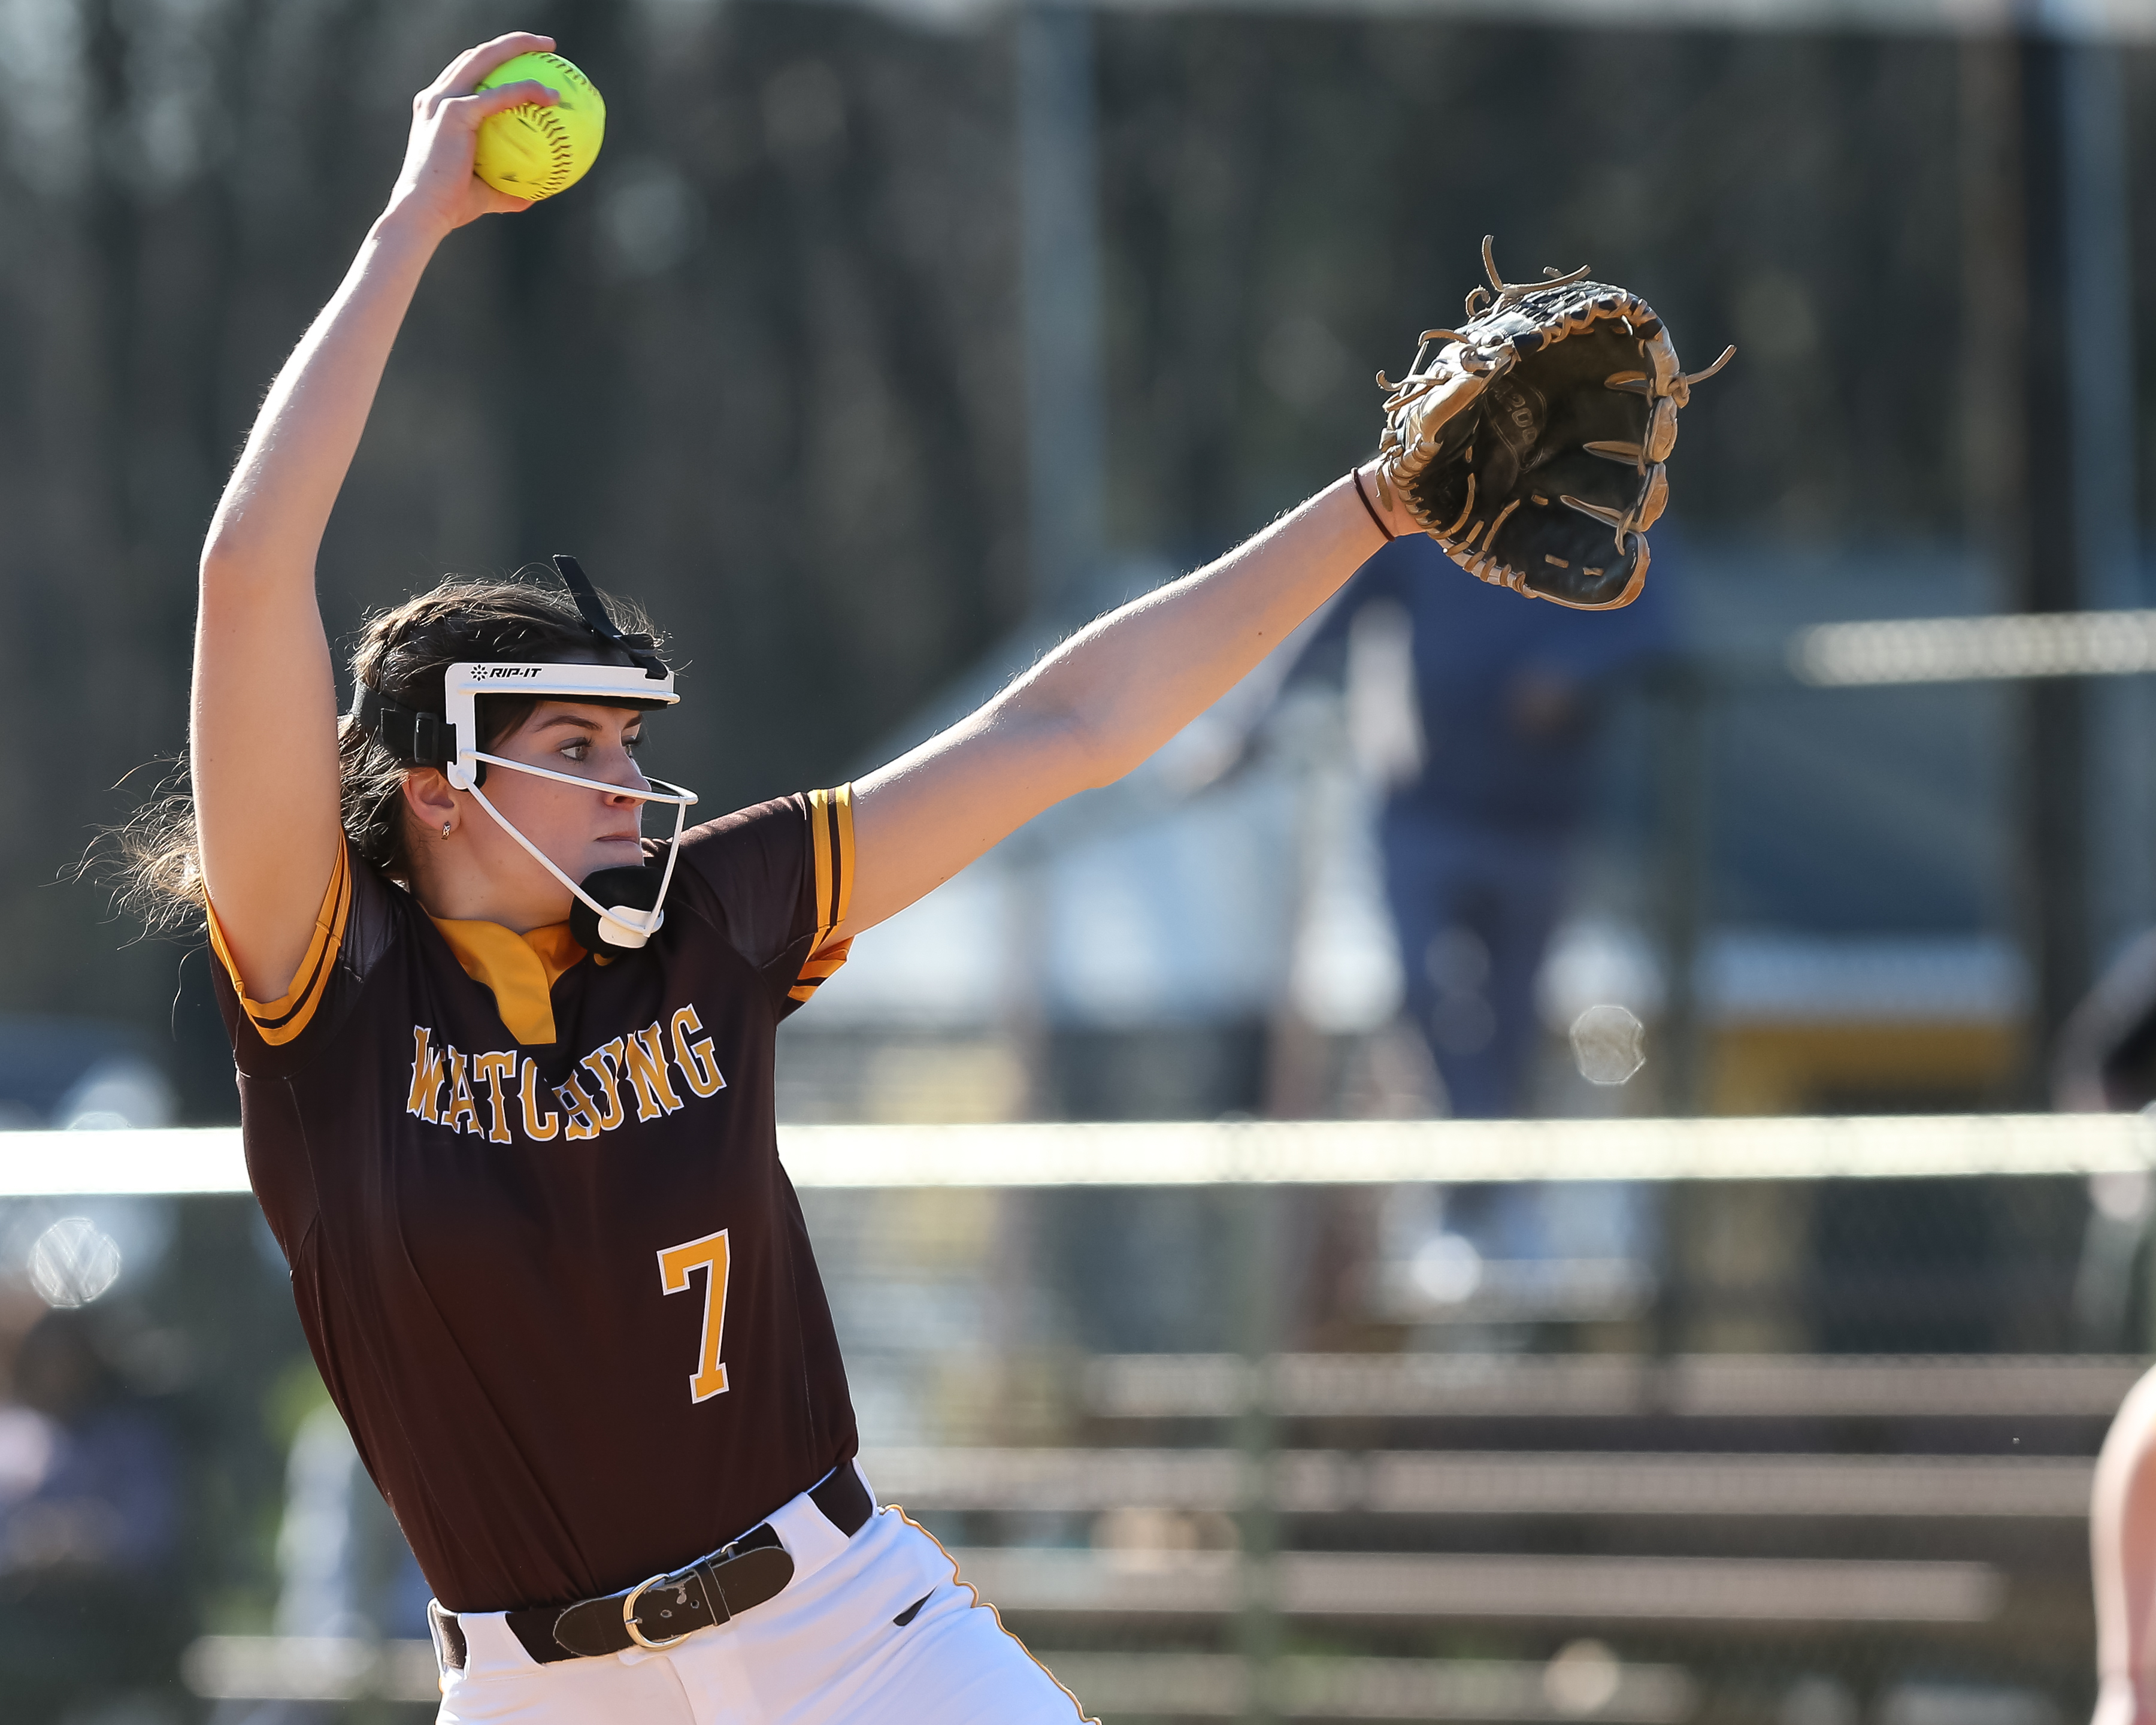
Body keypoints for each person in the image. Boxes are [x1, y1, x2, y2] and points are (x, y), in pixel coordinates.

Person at [117, 31, 1521, 1724]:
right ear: (430, 791)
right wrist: (411, 226)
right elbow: (249, 573)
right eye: (575, 750)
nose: (629, 783)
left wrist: (1380, 506)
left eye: (631, 747)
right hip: (543, 1690)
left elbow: (1071, 722)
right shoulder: (332, 989)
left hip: (847, 1634)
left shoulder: (720, 914)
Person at [1301, 531, 1674, 1116]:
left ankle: (1486, 1179)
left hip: (1539, 818)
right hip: (1424, 805)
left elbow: (1651, 621)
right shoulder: (1426, 476)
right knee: (1422, 987)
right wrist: (1243, 727)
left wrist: (1570, 669)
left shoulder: (1603, 483)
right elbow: (1333, 608)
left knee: (1514, 1014)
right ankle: (1471, 1148)